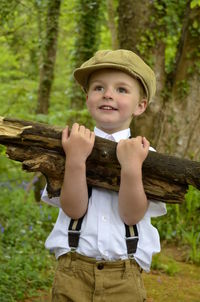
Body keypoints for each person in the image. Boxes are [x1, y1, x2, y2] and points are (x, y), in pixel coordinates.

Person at [42, 49, 167, 302]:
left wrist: (132, 168)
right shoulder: (71, 145)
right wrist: (76, 159)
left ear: (140, 105)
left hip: (124, 277)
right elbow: (73, 210)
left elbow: (131, 215)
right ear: (87, 97)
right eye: (99, 88)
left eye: (121, 90)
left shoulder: (145, 153)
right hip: (72, 272)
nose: (108, 94)